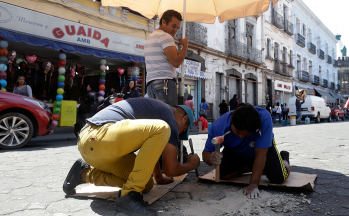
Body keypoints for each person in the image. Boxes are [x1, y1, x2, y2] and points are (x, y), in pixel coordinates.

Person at [63, 98, 199, 215]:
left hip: (97, 149)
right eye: (182, 131)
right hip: (96, 135)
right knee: (162, 128)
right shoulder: (169, 118)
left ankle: (84, 174)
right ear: (184, 119)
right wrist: (192, 164)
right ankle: (129, 195)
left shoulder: (158, 113)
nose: (178, 134)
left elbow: (151, 152)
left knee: (145, 184)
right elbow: (171, 170)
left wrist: (159, 178)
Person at [202, 103, 290, 199]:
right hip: (235, 150)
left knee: (278, 177)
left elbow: (261, 154)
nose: (241, 137)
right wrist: (211, 159)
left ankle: (284, 158)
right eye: (237, 132)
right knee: (223, 175)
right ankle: (252, 166)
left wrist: (253, 184)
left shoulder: (265, 118)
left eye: (247, 134)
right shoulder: (219, 126)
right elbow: (206, 153)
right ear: (231, 120)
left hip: (261, 149)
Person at [145, 10, 188, 106]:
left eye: (177, 27)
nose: (175, 30)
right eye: (173, 26)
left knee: (158, 118)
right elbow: (176, 62)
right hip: (165, 83)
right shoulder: (165, 36)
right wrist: (185, 45)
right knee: (168, 117)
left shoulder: (151, 37)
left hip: (151, 84)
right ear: (163, 22)